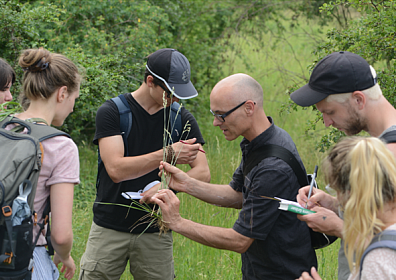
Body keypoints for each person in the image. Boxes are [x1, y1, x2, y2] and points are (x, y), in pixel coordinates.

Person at [151, 73, 317, 280]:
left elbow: (240, 240)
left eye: (221, 114)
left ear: (249, 107)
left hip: (282, 273)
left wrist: (177, 222)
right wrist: (186, 183)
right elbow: (237, 194)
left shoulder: (272, 167)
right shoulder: (262, 140)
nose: (214, 122)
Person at [79, 48, 210, 280]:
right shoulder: (112, 112)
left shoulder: (181, 118)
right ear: (150, 81)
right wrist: (168, 152)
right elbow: (116, 170)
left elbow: (202, 172)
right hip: (109, 227)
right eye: (170, 93)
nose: (176, 99)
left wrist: (166, 187)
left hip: (156, 229)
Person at [290, 51, 396, 279]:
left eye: (330, 112)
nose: (327, 123)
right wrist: (334, 204)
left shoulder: (390, 155)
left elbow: (391, 245)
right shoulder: (377, 148)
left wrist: (338, 227)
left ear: (358, 99)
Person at [12, 48, 80, 279]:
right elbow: (60, 235)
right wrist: (64, 255)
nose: (72, 107)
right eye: (74, 99)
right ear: (62, 93)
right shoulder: (60, 145)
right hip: (27, 258)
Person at [296, 137, 396, 280]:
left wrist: (338, 226)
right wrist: (333, 204)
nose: (339, 199)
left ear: (351, 193)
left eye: (336, 190)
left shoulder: (378, 260)